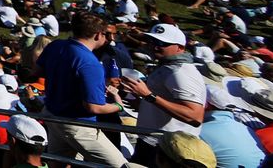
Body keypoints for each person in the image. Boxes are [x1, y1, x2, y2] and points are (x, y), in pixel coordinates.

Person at [35, 12, 126, 167]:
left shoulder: (55, 45)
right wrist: (118, 106)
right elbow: (94, 107)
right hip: (77, 125)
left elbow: (37, 72)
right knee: (121, 166)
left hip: (52, 115)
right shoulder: (90, 63)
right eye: (106, 34)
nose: (107, 39)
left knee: (58, 165)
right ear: (98, 35)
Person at [122, 24, 208, 165]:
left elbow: (194, 116)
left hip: (165, 147)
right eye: (153, 41)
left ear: (180, 47)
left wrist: (148, 96)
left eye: (162, 43)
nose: (155, 46)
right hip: (152, 141)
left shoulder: (181, 72)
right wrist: (142, 103)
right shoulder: (168, 66)